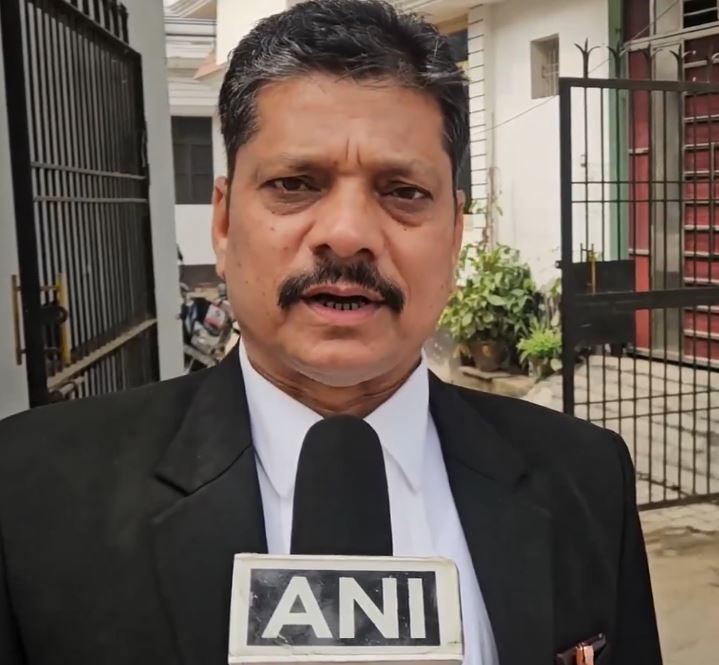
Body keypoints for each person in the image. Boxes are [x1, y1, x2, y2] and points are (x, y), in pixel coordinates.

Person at [0, 2, 661, 664]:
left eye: (403, 192)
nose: (347, 235)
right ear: (224, 223)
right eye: (295, 184)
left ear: (455, 234)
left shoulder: (584, 477)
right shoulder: (31, 491)